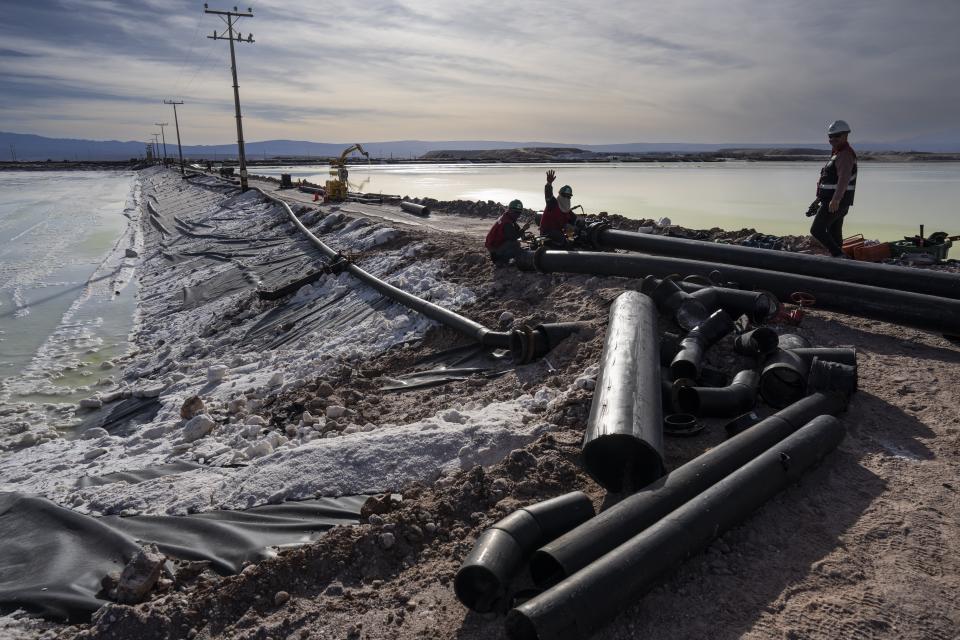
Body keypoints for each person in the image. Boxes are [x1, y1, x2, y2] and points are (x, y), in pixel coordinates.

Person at [810, 120, 858, 257]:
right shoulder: (837, 153)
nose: (832, 139)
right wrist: (818, 199)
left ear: (845, 136)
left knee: (817, 230)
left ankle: (838, 255)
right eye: (830, 136)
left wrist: (836, 199)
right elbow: (830, 180)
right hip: (835, 201)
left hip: (836, 202)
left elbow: (843, 179)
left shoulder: (845, 155)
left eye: (836, 136)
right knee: (834, 231)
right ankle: (841, 262)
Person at [485, 199, 528, 265]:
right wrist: (523, 229)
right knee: (515, 244)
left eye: (519, 213)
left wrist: (523, 234)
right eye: (516, 212)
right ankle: (501, 260)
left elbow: (517, 228)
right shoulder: (507, 222)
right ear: (510, 210)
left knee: (516, 244)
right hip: (495, 252)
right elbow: (513, 237)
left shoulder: (507, 216)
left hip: (495, 246)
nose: (518, 215)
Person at [540, 169, 577, 245]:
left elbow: (573, 220)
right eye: (564, 195)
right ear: (560, 195)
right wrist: (549, 183)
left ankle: (570, 244)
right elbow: (548, 195)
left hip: (558, 232)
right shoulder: (553, 203)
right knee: (562, 240)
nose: (566, 198)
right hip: (546, 233)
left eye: (568, 196)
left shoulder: (567, 210)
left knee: (573, 238)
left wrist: (573, 231)